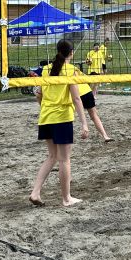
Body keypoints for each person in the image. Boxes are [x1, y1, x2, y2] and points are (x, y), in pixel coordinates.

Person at [29, 40, 89, 207]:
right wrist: (84, 123)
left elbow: (38, 95)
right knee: (64, 160)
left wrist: (46, 108)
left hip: (46, 117)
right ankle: (66, 198)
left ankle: (35, 192)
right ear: (71, 53)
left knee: (52, 156)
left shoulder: (46, 69)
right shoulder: (70, 70)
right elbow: (77, 99)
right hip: (62, 118)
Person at [74, 65, 112, 142]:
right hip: (87, 92)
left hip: (75, 94)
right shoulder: (73, 68)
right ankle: (105, 136)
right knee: (94, 116)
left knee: (68, 116)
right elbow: (87, 79)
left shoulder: (63, 70)